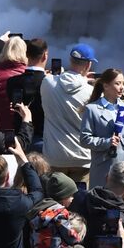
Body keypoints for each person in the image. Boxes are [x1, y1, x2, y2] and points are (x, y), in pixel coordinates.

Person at [80, 69, 124, 189]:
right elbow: (85, 139)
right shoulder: (92, 109)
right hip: (103, 167)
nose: (121, 87)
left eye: (123, 83)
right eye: (117, 83)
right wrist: (106, 142)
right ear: (106, 86)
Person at [42, 44, 95, 180]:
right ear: (88, 65)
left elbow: (51, 79)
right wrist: (85, 81)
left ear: (70, 61)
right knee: (80, 199)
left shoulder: (47, 83)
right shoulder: (91, 92)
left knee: (55, 198)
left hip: (55, 155)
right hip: (82, 157)